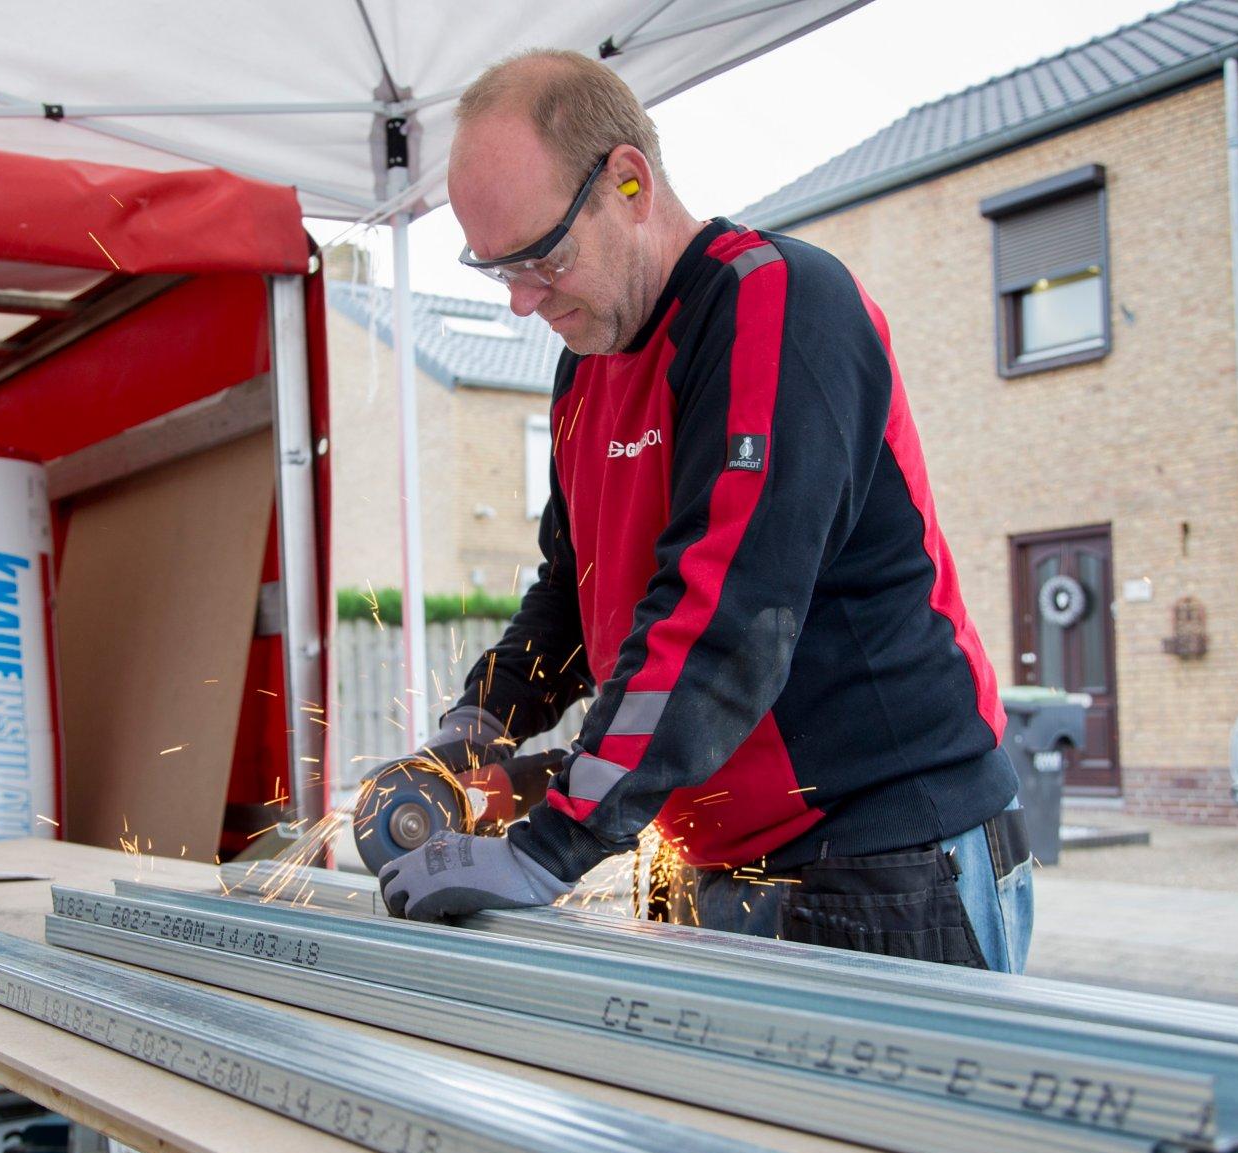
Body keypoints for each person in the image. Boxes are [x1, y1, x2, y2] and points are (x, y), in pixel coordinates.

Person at [373, 50, 1033, 973]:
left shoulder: (780, 306)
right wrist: (472, 732)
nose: (523, 302)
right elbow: (572, 598)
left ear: (629, 182)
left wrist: (552, 844)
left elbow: (727, 618)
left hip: (879, 864)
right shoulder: (585, 370)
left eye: (541, 259)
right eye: (497, 272)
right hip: (701, 859)